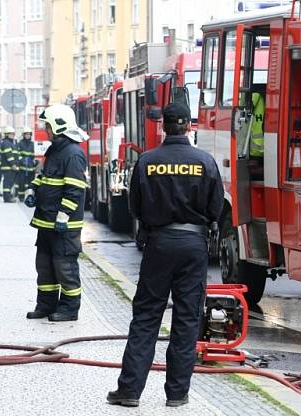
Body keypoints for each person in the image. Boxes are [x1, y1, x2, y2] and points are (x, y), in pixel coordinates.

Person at [107, 102, 223, 408]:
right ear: (188, 127)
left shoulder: (147, 161)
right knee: (186, 319)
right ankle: (177, 394)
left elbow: (135, 206)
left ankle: (129, 390)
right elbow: (216, 209)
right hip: (194, 246)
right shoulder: (205, 162)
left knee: (146, 317)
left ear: (164, 126)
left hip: (159, 243)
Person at [23, 104, 88, 322]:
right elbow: (43, 176)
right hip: (45, 223)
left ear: (59, 126)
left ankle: (70, 309)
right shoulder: (54, 150)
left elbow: (75, 189)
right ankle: (46, 305)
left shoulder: (73, 154)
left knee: (65, 268)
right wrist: (32, 188)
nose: (46, 130)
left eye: (48, 126)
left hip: (63, 226)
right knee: (45, 266)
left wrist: (63, 216)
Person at [16, 126, 37, 202]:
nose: (27, 135)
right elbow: (16, 154)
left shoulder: (33, 144)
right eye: (26, 134)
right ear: (23, 135)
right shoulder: (20, 144)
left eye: (29, 134)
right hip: (22, 167)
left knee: (31, 184)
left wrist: (35, 161)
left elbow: (36, 154)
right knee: (21, 183)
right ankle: (21, 197)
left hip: (31, 168)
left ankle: (29, 196)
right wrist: (21, 159)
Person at [0, 126, 18, 202]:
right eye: (11, 134)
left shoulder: (10, 143)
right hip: (8, 167)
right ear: (6, 134)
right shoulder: (6, 143)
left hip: (10, 167)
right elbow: (9, 155)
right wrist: (13, 165)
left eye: (13, 134)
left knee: (9, 183)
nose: (13, 135)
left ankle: (8, 196)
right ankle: (7, 198)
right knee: (7, 183)